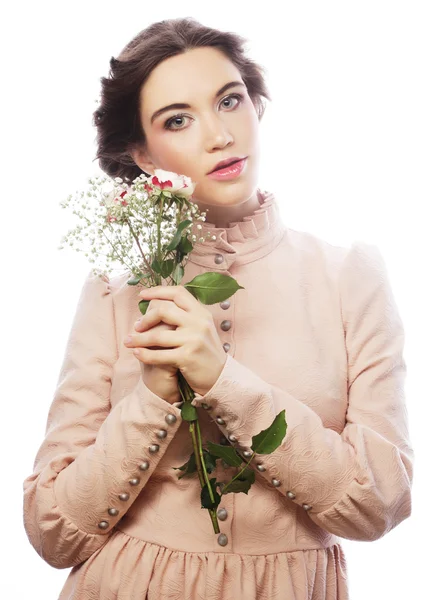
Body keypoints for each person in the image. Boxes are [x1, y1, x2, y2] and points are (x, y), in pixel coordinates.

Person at [22, 17, 414, 600]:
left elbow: (377, 505)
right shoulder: (115, 290)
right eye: (177, 120)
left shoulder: (349, 274)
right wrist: (152, 396)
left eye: (229, 101)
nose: (219, 135)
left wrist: (223, 382)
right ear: (142, 154)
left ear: (256, 106)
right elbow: (53, 533)